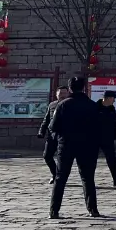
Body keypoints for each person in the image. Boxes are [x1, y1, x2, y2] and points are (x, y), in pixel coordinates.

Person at [48, 76, 102, 219]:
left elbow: (53, 126)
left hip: (66, 144)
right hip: (87, 146)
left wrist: (58, 138)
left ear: (70, 88)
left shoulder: (63, 105)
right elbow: (99, 128)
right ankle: (93, 209)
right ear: (83, 88)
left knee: (60, 178)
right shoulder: (92, 105)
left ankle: (54, 211)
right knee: (88, 178)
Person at [37, 85, 69, 183]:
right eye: (60, 93)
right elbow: (46, 120)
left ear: (68, 94)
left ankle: (60, 177)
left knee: (62, 158)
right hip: (52, 135)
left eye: (64, 93)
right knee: (47, 156)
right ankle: (55, 174)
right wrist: (41, 131)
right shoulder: (52, 105)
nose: (62, 95)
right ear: (56, 95)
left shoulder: (70, 105)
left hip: (65, 136)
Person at [97, 90, 116, 187]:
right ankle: (89, 180)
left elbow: (113, 125)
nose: (114, 101)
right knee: (91, 161)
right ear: (107, 98)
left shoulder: (112, 108)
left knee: (112, 160)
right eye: (113, 98)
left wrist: (114, 138)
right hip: (95, 139)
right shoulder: (95, 107)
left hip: (108, 139)